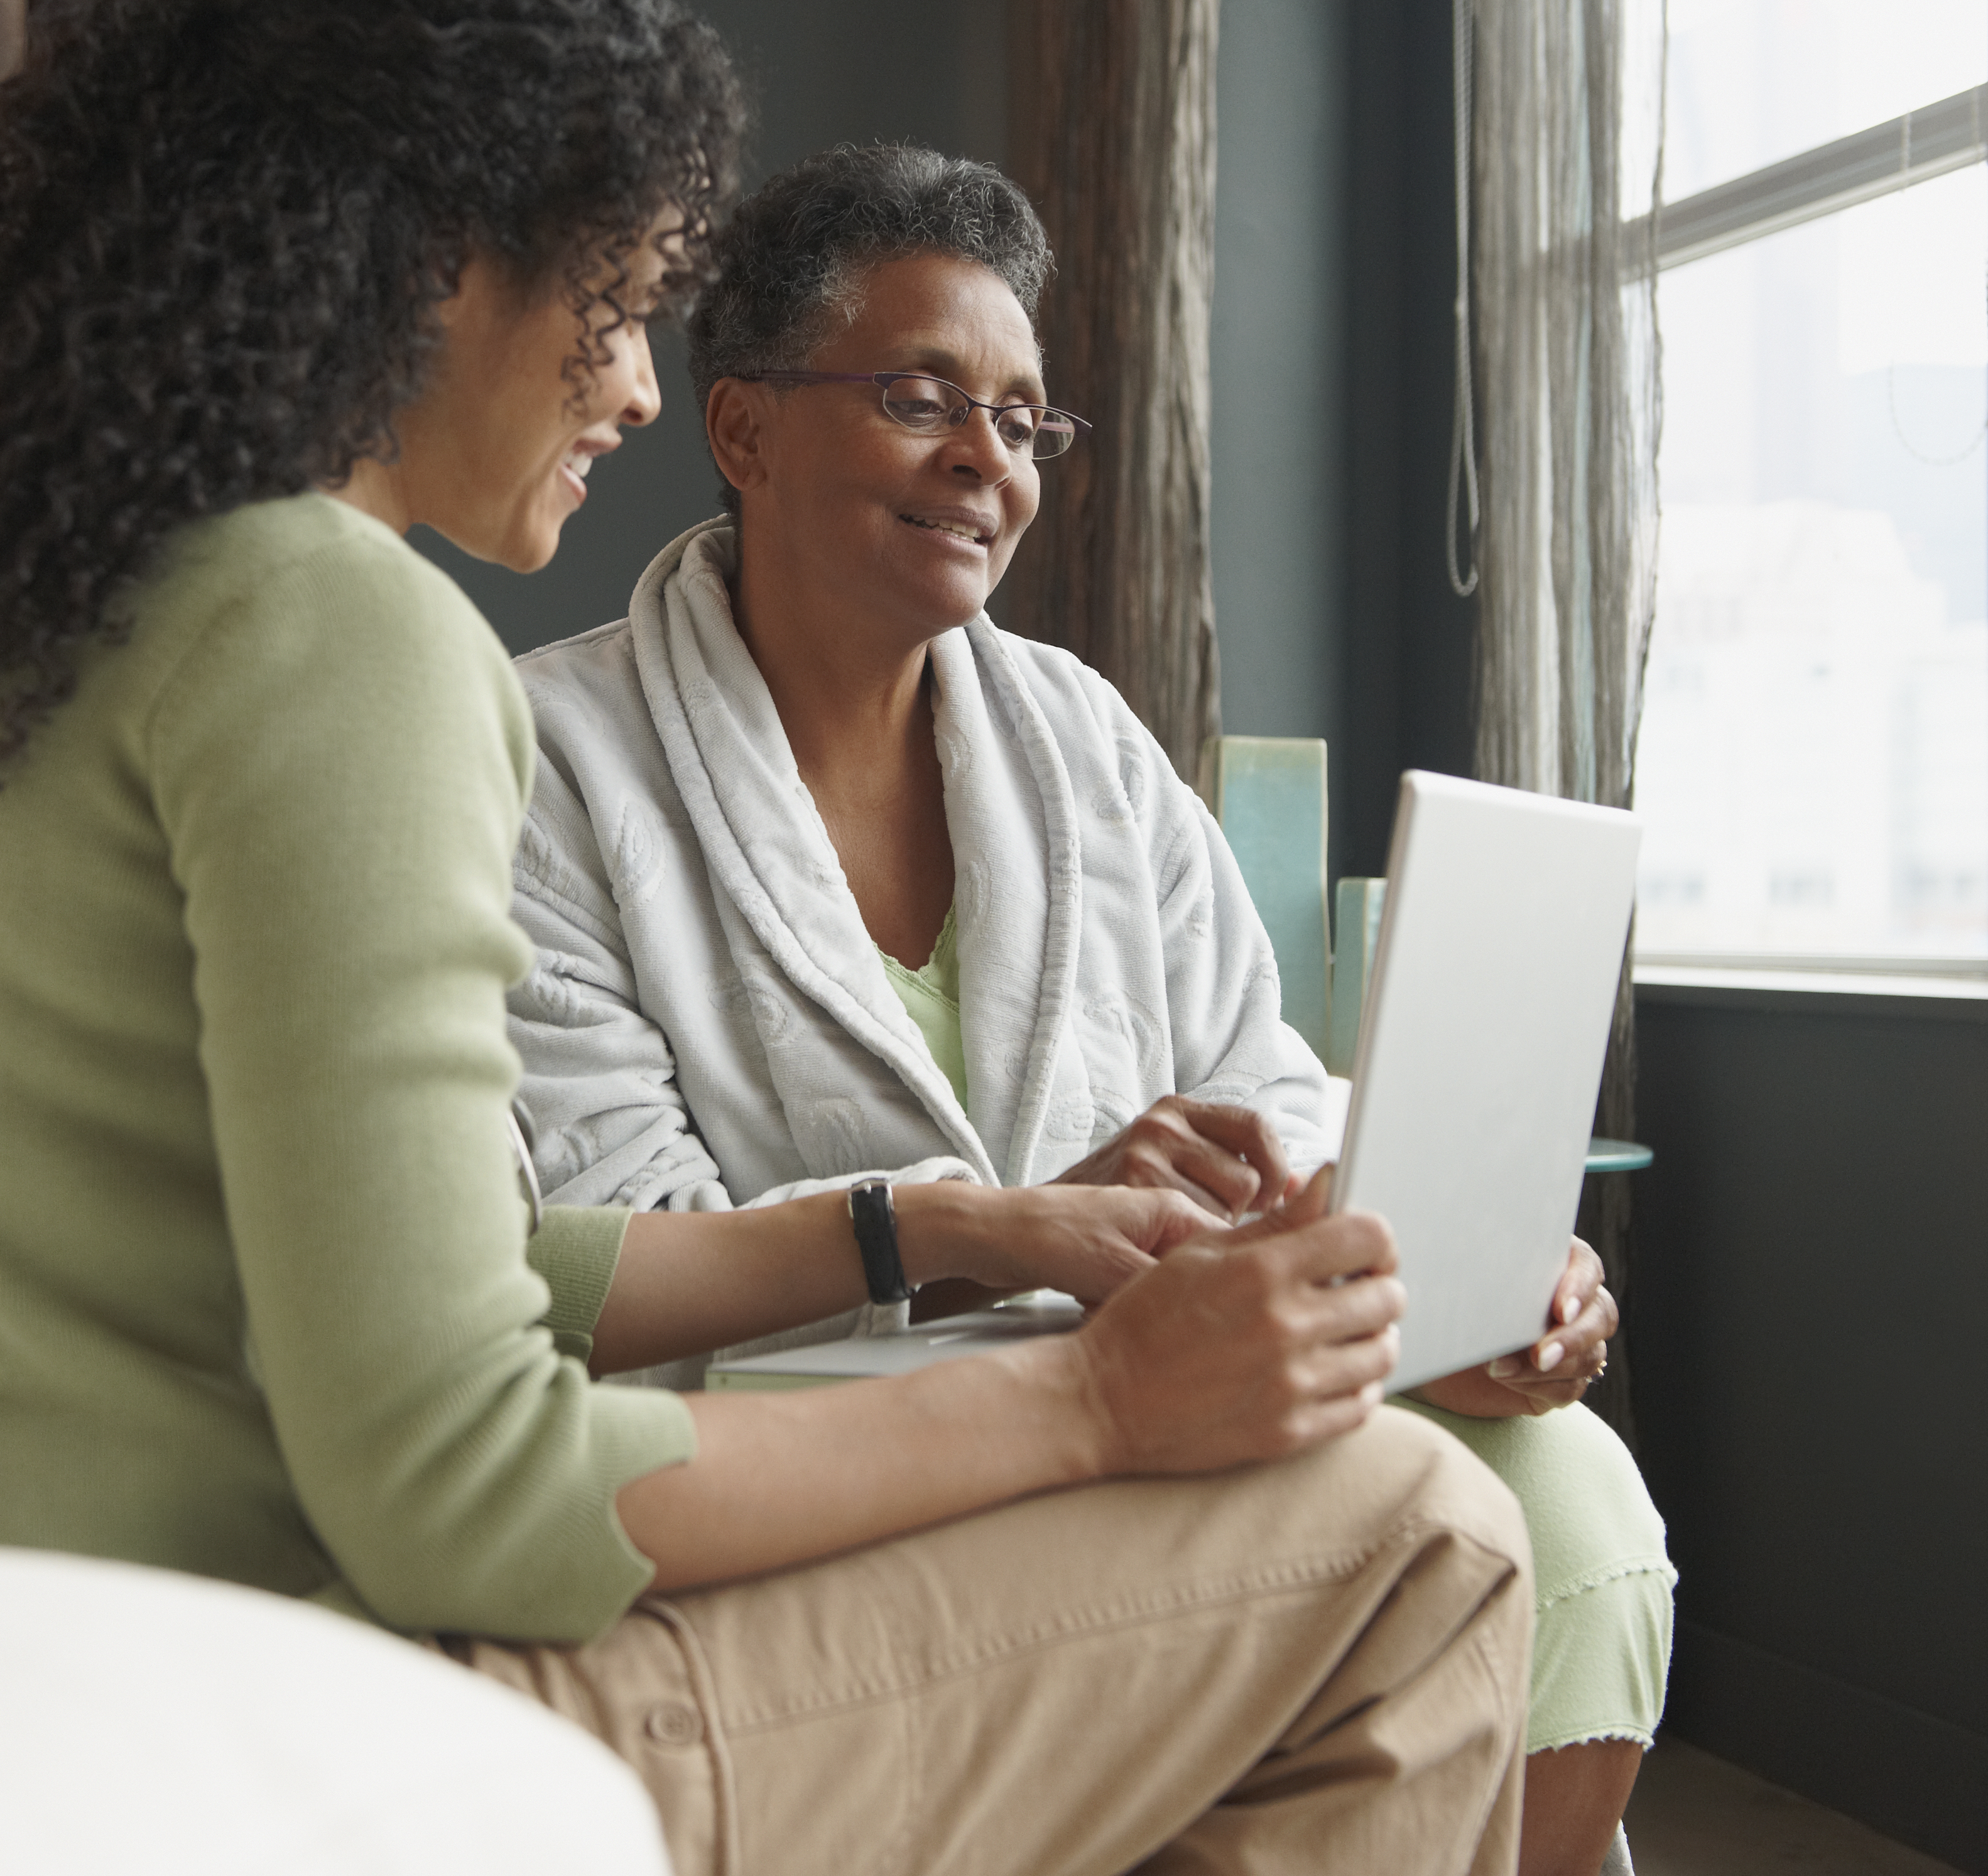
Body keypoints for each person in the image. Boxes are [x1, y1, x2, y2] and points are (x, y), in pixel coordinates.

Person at [0, 0, 1533, 1876]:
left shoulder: (68, 614)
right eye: (609, 307)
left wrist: (951, 1228)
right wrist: (1099, 1407)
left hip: (21, 1691)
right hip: (273, 1734)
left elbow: (426, 1290)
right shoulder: (345, 631)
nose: (630, 390)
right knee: (1424, 1537)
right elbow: (467, 1488)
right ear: (434, 263)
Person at [505, 141, 1672, 1876]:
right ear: (743, 431)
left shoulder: (1082, 746)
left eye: (1026, 420)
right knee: (1403, 1526)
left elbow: (1270, 1089)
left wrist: (1452, 1278)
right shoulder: (549, 765)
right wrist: (1017, 1237)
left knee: (1573, 1499)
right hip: (822, 1428)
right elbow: (622, 1256)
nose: (988, 459)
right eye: (921, 398)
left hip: (1157, 1368)